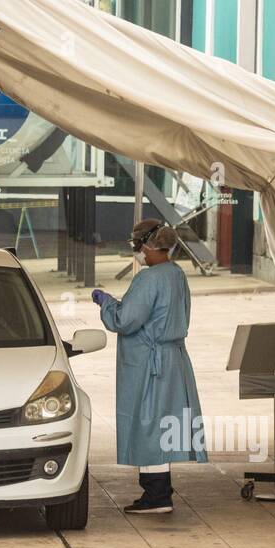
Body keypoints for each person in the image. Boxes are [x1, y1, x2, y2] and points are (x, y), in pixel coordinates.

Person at [91, 219, 207, 514]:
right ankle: (160, 491)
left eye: (138, 246)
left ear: (146, 245)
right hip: (174, 359)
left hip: (149, 364)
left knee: (148, 426)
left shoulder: (149, 278)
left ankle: (157, 496)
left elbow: (125, 320)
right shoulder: (177, 274)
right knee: (162, 425)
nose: (137, 252)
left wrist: (106, 303)